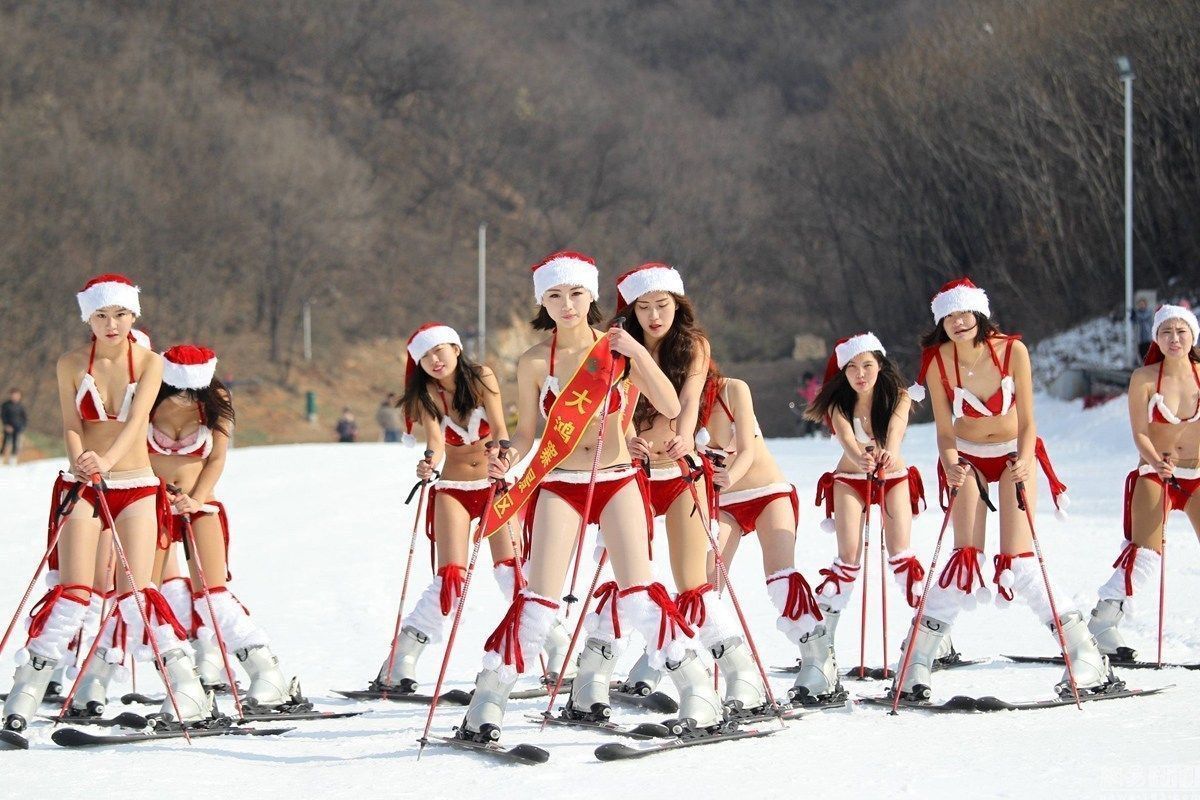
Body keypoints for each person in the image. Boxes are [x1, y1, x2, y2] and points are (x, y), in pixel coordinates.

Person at [453, 251, 724, 743]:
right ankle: (486, 702)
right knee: (539, 599)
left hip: (618, 479)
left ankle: (698, 692)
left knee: (639, 592)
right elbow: (528, 433)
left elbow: (667, 403)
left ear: (592, 296)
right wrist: (506, 458)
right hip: (560, 482)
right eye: (555, 296)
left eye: (576, 293)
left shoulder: (616, 349)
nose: (567, 304)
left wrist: (638, 353)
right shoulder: (535, 361)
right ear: (543, 302)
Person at [3, 274, 209, 734]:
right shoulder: (70, 363)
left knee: (138, 595)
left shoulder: (151, 362)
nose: (110, 324)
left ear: (134, 316)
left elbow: (137, 424)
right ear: (87, 318)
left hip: (135, 483)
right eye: (100, 315)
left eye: (119, 314)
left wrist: (107, 462)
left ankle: (188, 691)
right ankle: (25, 694)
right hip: (85, 484)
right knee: (74, 591)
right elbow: (71, 421)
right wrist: (82, 462)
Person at [900, 277, 1119, 700]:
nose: (959, 322)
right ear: (941, 321)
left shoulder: (1011, 350)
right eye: (950, 316)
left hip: (1013, 454)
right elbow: (944, 431)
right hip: (967, 458)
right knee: (964, 561)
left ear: (979, 313)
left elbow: (1029, 419)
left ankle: (1084, 654)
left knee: (1019, 560)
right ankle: (916, 660)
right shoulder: (937, 362)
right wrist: (949, 463)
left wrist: (1022, 457)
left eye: (965, 313)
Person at [371, 324, 573, 692]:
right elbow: (435, 440)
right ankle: (401, 660)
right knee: (450, 577)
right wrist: (429, 461)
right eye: (426, 356)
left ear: (456, 348)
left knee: (513, 573)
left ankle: (557, 651)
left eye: (440, 351)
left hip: (493, 484)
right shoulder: (427, 395)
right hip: (453, 488)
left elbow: (499, 425)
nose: (435, 360)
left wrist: (501, 453)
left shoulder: (481, 377)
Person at [611, 263, 768, 717]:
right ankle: (601, 673)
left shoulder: (693, 346)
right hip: (634, 474)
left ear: (677, 306)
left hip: (680, 472)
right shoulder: (622, 348)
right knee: (630, 581)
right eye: (644, 307)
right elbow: (615, 408)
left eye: (663, 305)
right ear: (632, 310)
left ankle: (741, 675)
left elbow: (690, 400)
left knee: (692, 583)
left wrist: (684, 434)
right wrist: (628, 442)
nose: (654, 315)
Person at [143, 345, 298, 708]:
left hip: (201, 505)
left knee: (212, 593)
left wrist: (195, 499)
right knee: (147, 593)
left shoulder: (216, 398)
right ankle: (183, 681)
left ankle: (266, 672)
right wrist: (157, 491)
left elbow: (216, 458)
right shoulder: (148, 396)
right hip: (153, 506)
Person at [800, 333, 935, 702]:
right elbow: (845, 436)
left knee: (901, 555)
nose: (861, 374)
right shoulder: (839, 402)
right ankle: (820, 652)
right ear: (844, 370)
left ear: (880, 365)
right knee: (847, 559)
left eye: (868, 366)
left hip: (893, 478)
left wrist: (889, 452)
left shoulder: (898, 395)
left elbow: (895, 429)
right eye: (853, 368)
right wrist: (860, 453)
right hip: (849, 479)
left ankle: (924, 645)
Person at [1088, 305, 1200, 659]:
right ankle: (1102, 624)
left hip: (1196, 474)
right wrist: (1156, 461)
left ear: (1192, 336)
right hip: (1156, 471)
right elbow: (1139, 431)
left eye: (1181, 331)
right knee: (1146, 553)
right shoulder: (1145, 377)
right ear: (1156, 337)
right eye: (1166, 332)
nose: (1174, 338)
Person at [2, 388, 27, 465]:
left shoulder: (21, 406)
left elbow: (24, 417)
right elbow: (3, 416)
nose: (15, 397)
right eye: (13, 395)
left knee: (16, 443)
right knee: (5, 443)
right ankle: (1, 459)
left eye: (17, 395)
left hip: (18, 428)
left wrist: (23, 426)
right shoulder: (5, 405)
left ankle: (13, 460)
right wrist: (6, 425)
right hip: (8, 427)